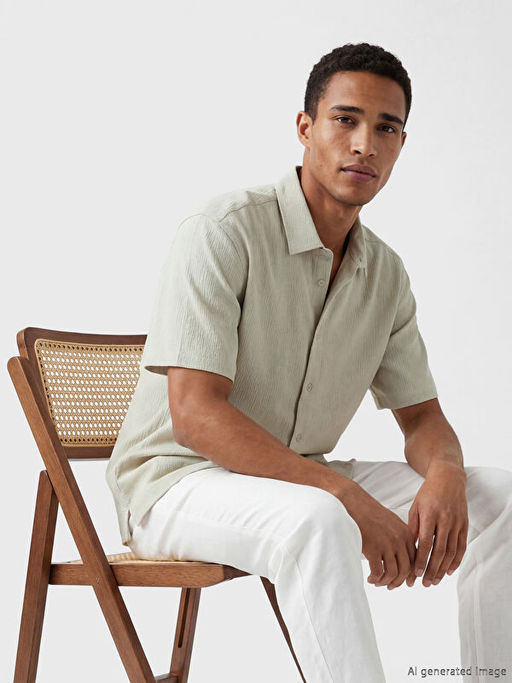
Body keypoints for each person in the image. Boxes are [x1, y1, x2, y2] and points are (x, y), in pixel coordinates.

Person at [106, 43, 512, 682]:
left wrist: (445, 473)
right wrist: (342, 494)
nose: (365, 145)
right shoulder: (223, 230)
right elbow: (194, 416)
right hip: (177, 483)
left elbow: (422, 418)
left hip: (295, 478)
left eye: (386, 128)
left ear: (402, 145)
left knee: (502, 499)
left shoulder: (385, 274)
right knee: (321, 518)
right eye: (345, 120)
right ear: (305, 127)